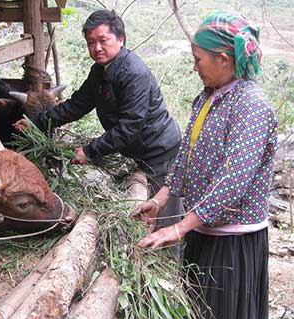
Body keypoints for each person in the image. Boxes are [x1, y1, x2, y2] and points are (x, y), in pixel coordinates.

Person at [137, 11, 277, 319]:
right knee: (197, 308)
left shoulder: (251, 107)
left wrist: (180, 226)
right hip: (202, 228)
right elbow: (187, 158)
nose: (194, 66)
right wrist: (160, 201)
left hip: (233, 240)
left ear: (224, 60)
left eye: (198, 59)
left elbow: (233, 181)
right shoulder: (208, 98)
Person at [14, 9, 183, 232]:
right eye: (91, 42)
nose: (97, 48)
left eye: (103, 40)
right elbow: (77, 105)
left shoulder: (134, 73)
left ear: (120, 39)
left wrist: (90, 150)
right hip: (139, 151)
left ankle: (167, 260)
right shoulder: (99, 71)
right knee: (143, 212)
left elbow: (129, 127)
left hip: (159, 151)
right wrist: (38, 122)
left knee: (163, 218)